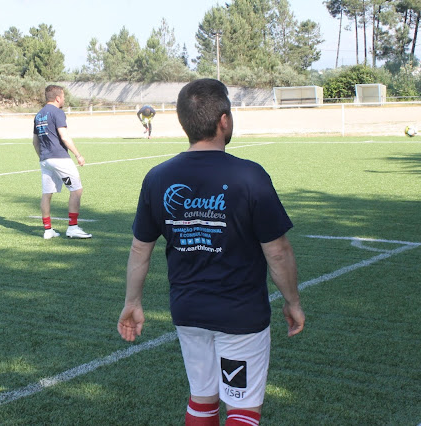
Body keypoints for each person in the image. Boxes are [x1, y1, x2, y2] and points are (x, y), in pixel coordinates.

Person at [117, 79, 304, 426]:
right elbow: (278, 252)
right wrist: (292, 301)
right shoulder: (249, 176)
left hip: (188, 312)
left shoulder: (157, 177)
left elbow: (140, 248)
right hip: (240, 315)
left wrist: (132, 302)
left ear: (184, 122)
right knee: (242, 407)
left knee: (202, 398)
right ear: (224, 121)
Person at [33, 85, 92, 239]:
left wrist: (43, 157)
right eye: (63, 97)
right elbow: (64, 137)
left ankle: (48, 230)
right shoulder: (57, 112)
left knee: (47, 193)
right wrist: (78, 155)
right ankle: (73, 227)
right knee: (76, 190)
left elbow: (35, 141)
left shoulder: (38, 115)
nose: (64, 99)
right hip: (60, 158)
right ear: (58, 98)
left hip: (45, 159)